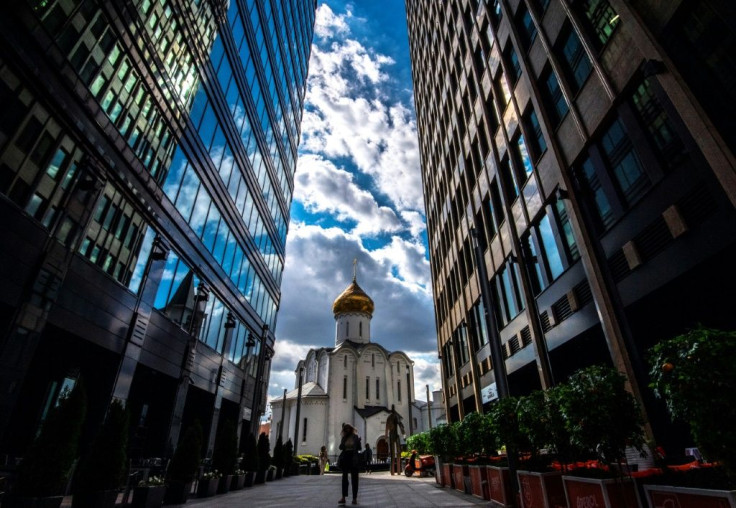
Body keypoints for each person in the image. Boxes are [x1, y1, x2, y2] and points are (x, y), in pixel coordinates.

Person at [338, 423, 361, 505]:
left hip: (353, 458)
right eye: (345, 429)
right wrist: (342, 444)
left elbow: (359, 448)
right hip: (345, 457)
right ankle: (343, 497)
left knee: (354, 478)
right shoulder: (344, 437)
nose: (347, 430)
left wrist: (358, 442)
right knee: (344, 478)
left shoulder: (355, 437)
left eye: (348, 428)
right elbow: (340, 447)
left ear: (351, 429)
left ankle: (354, 498)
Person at [385, 404, 405, 475]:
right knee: (393, 453)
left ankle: (397, 471)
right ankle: (394, 471)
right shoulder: (391, 417)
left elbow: (400, 424)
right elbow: (387, 427)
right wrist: (386, 435)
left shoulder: (393, 417)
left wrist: (403, 434)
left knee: (398, 452)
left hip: (395, 435)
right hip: (392, 435)